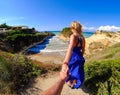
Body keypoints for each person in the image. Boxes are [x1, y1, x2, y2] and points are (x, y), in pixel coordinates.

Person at [63, 21, 86, 89]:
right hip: (79, 57)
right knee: (76, 72)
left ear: (72, 28)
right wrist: (80, 56)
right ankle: (74, 84)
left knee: (70, 71)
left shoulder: (73, 36)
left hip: (72, 57)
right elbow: (83, 49)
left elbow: (70, 49)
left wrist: (65, 62)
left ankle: (71, 84)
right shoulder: (82, 38)